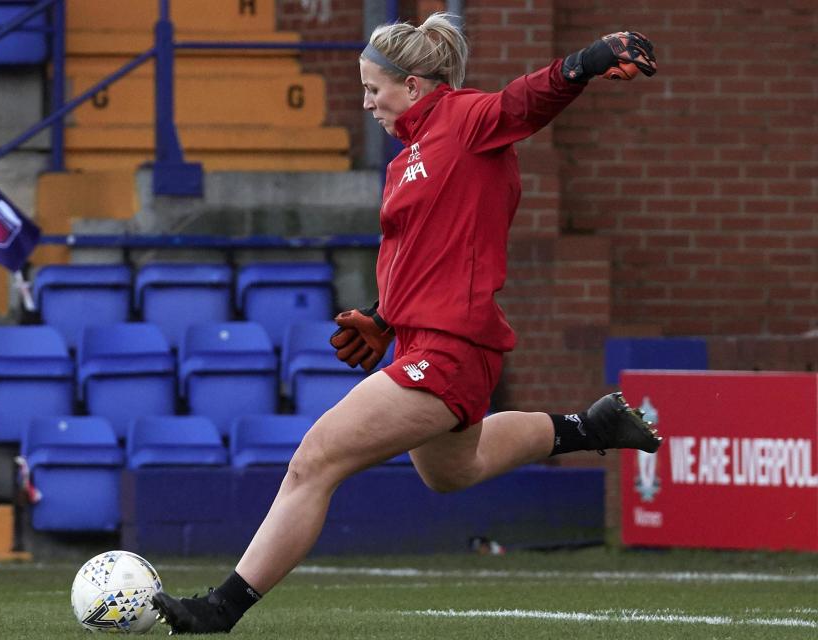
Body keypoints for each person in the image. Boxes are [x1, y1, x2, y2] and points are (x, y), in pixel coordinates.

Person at [153, 13, 659, 635]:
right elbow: (417, 254)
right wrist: (382, 315)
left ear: (415, 87)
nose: (367, 104)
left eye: (374, 90)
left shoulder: (465, 120)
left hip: (452, 347)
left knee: (314, 460)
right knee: (452, 472)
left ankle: (219, 609)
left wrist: (584, 61)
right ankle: (587, 426)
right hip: (426, 340)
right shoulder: (405, 162)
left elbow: (526, 101)